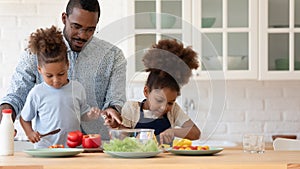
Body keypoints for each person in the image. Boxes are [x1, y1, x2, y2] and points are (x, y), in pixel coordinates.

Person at [0, 0, 126, 140]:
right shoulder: (38, 51)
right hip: (52, 147)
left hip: (97, 145)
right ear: (64, 18)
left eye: (90, 29)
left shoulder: (113, 56)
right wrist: (4, 118)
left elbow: (116, 100)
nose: (82, 35)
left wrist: (113, 111)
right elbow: (16, 96)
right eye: (76, 26)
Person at [103, 39, 201, 144]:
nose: (164, 107)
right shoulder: (132, 109)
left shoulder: (174, 111)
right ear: (146, 91)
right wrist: (119, 129)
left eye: (170, 103)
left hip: (167, 160)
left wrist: (174, 131)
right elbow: (121, 139)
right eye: (159, 100)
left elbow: (196, 133)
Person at [19, 25, 102, 148]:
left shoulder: (77, 88)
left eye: (61, 74)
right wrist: (30, 133)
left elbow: (82, 114)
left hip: (72, 149)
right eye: (49, 76)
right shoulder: (37, 92)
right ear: (40, 70)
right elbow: (24, 118)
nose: (56, 80)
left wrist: (90, 115)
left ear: (68, 65)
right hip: (45, 149)